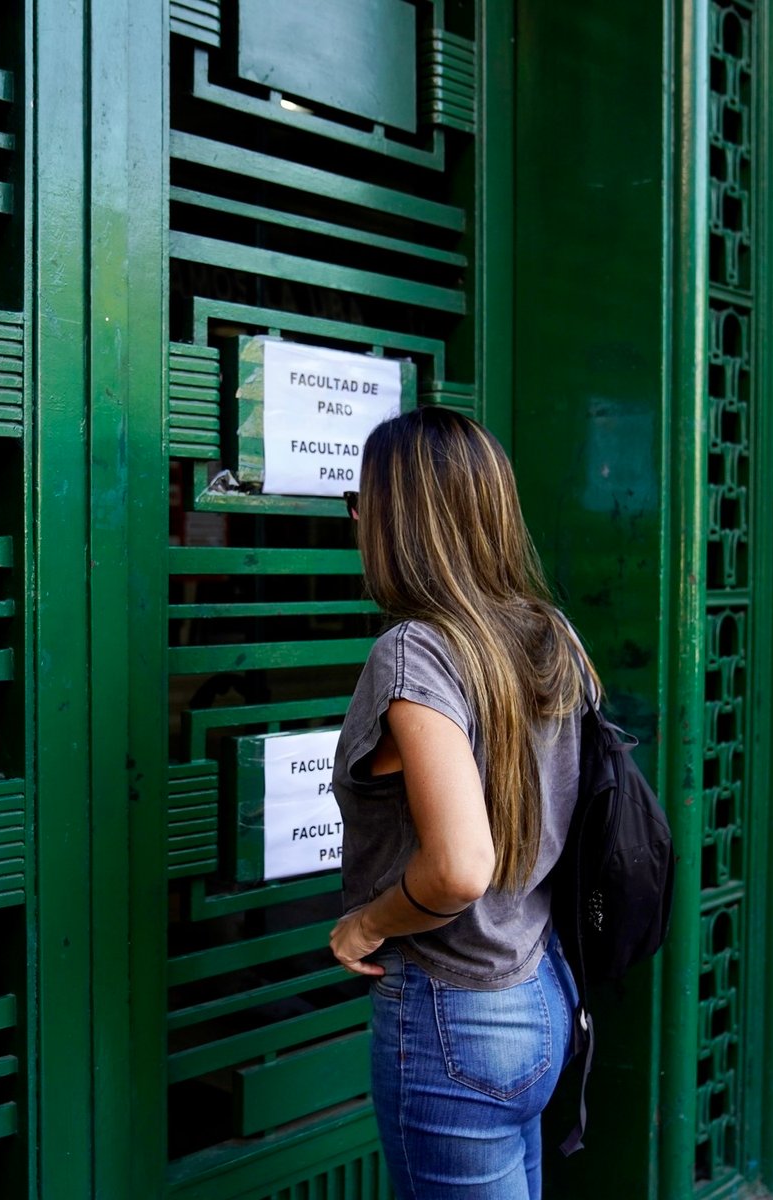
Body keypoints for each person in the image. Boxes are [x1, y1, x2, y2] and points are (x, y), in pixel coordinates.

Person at [328, 406, 598, 1199]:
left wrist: (364, 924)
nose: (355, 520)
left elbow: (459, 867)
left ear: (394, 517)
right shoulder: (548, 633)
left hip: (453, 1014)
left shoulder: (414, 650)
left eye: (360, 501)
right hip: (542, 991)